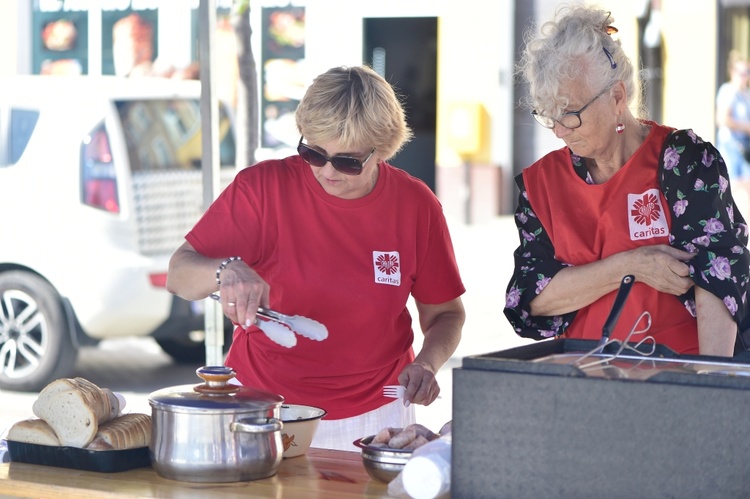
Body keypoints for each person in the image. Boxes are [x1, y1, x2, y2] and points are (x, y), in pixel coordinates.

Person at [166, 65, 466, 450]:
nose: (326, 171)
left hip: (376, 411)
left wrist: (426, 364)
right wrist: (226, 270)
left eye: (347, 161)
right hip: (263, 407)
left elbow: (446, 314)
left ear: (382, 150)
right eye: (313, 152)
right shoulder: (263, 189)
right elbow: (179, 275)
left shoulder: (415, 206)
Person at [504, 5, 750, 357]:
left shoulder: (682, 159)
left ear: (617, 97)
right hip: (584, 379)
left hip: (679, 376)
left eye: (570, 115)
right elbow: (532, 298)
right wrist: (630, 265)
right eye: (549, 116)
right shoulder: (541, 184)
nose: (559, 132)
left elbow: (719, 275)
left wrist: (708, 385)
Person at [716, 51, 750, 181]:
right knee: (731, 185)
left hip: (745, 147)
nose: (745, 76)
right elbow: (722, 119)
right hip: (731, 145)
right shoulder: (728, 91)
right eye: (741, 72)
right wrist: (746, 128)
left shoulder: (746, 93)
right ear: (732, 71)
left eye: (747, 71)